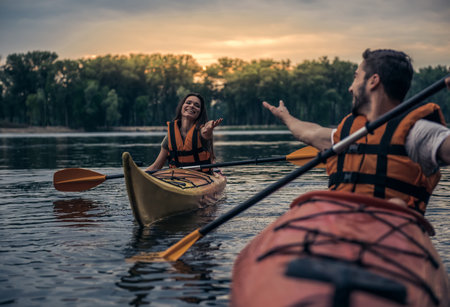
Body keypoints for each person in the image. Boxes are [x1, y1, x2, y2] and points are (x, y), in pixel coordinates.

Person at [263, 48, 450, 214]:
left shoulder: (419, 133)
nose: (350, 88)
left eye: (355, 76)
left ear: (373, 81)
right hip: (342, 233)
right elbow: (309, 133)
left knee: (396, 205)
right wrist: (285, 117)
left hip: (391, 240)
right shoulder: (349, 134)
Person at [146, 93, 223, 173]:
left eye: (197, 105)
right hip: (176, 178)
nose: (192, 106)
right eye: (188, 103)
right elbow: (156, 166)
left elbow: (206, 134)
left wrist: (209, 129)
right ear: (181, 107)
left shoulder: (203, 131)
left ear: (200, 112)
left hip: (202, 178)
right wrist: (139, 175)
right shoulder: (171, 136)